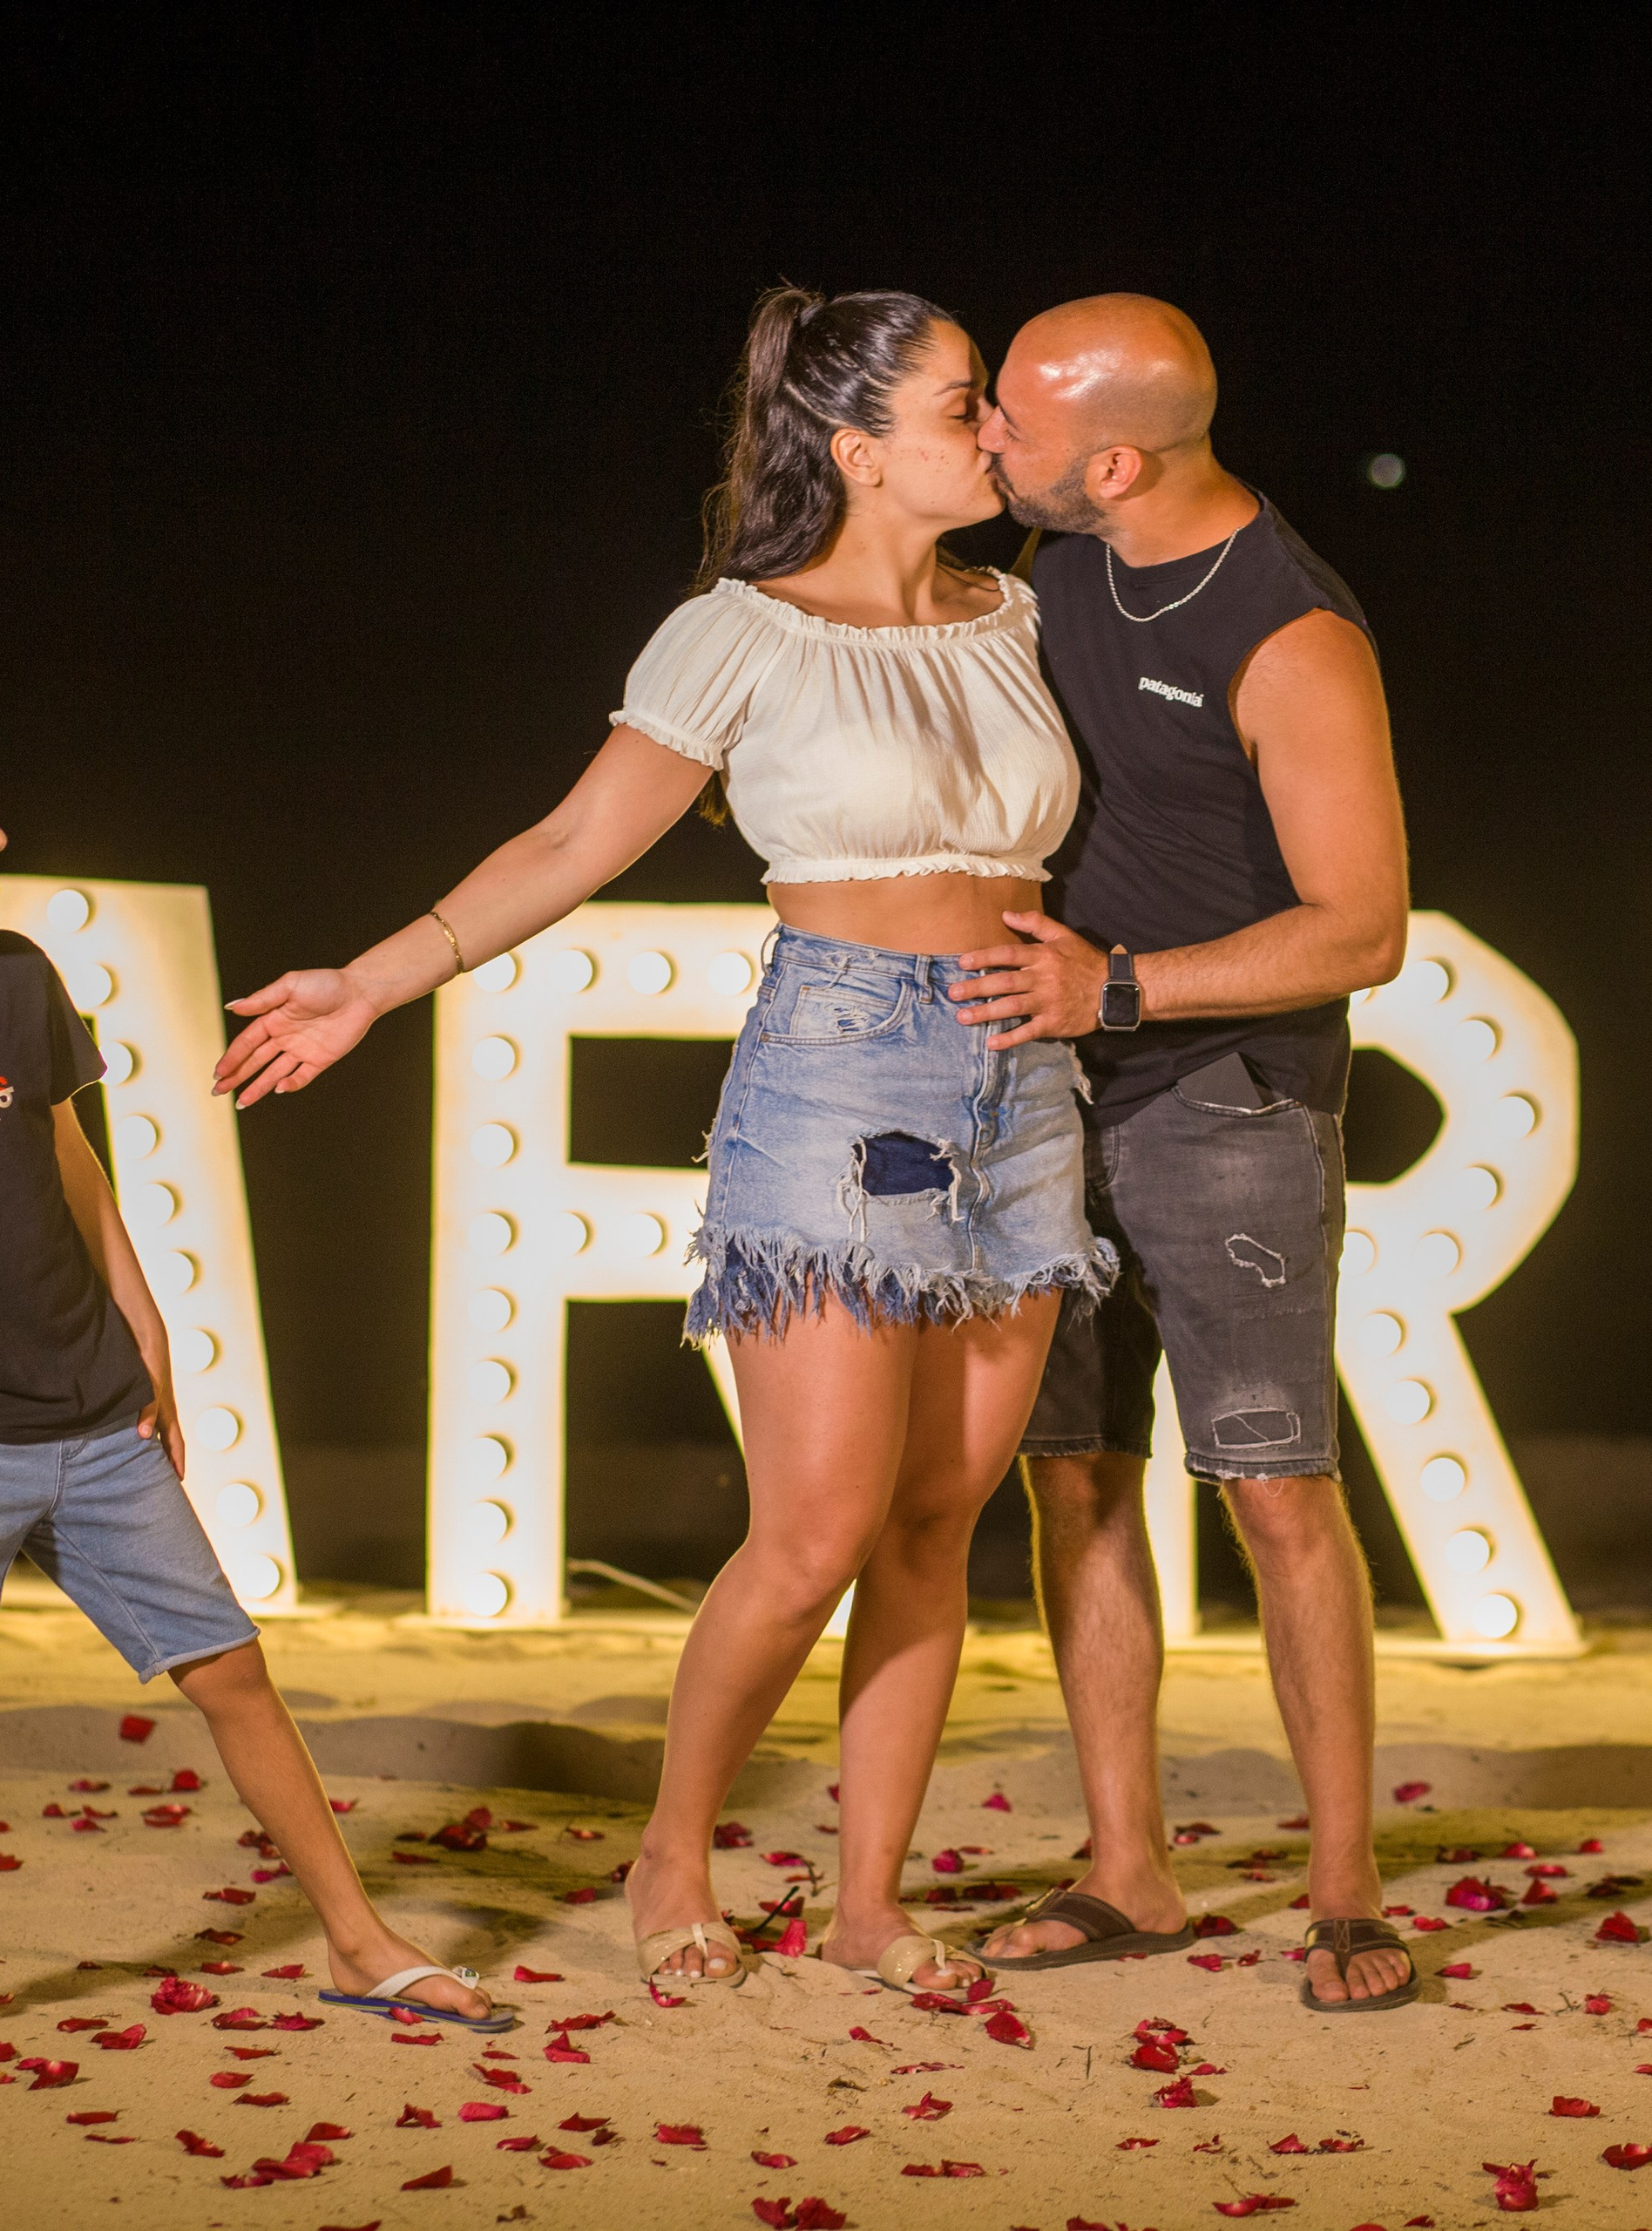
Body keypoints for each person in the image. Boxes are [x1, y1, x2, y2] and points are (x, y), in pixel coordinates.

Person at [213, 286, 1113, 1995]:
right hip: (842, 1077)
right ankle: (672, 1844)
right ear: (855, 449)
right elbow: (571, 839)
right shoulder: (741, 630)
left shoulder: (1020, 612)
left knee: (938, 1519)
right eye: (959, 401)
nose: (991, 427)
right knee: (816, 1527)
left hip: (1021, 1079)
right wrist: (372, 980)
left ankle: (867, 1901)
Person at [960, 296, 1417, 2011]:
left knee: (1270, 1484)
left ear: (1115, 458)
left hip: (1224, 1091)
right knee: (1068, 1469)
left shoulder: (1289, 630)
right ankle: (1125, 1866)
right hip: (1040, 1081)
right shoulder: (1053, 551)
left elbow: (1360, 926)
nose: (978, 431)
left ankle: (1345, 1885)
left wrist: (1120, 984)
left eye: (1003, 413)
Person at [0, 822, 510, 2031]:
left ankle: (358, 1944)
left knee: (235, 1675)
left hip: (94, 1417)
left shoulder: (18, 972)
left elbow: (69, 1156)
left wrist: (149, 1331)